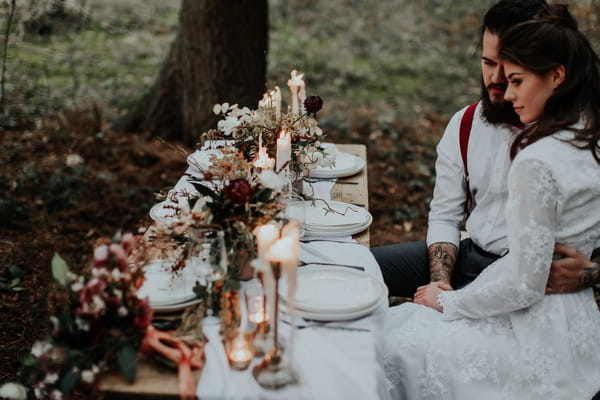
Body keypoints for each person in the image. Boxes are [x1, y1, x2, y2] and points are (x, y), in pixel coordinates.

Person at [382, 4, 600, 398]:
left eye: (511, 72)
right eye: (488, 63)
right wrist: (441, 283)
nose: (498, 82)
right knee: (360, 272)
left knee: (398, 344)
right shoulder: (467, 124)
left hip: (532, 285)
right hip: (470, 258)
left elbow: (526, 280)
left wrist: (592, 272)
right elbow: (445, 213)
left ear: (553, 69)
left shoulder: (552, 149)